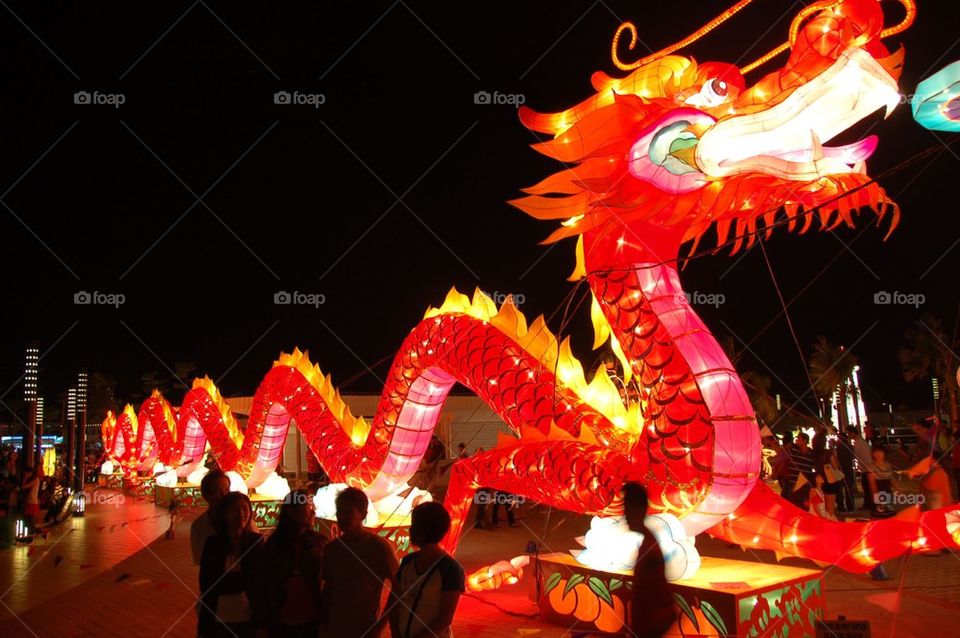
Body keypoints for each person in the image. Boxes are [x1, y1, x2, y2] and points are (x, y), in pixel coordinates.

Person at [320, 487, 399, 637]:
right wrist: (323, 623)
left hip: (365, 629)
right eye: (339, 512)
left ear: (363, 514)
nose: (342, 517)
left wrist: (380, 625)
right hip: (335, 628)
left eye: (348, 512)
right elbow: (329, 589)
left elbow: (399, 588)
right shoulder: (333, 549)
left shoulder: (379, 547)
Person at [256, 490, 327, 637]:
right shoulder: (274, 545)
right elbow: (262, 583)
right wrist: (262, 623)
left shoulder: (320, 542)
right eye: (309, 506)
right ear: (291, 512)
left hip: (313, 620)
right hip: (281, 621)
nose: (314, 511)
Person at [389, 502, 465, 638]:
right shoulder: (408, 562)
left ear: (423, 532)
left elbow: (444, 620)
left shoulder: (451, 569)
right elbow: (394, 604)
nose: (410, 530)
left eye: (414, 525)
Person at [198, 491, 264, 638]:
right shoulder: (213, 543)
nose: (241, 514)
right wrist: (242, 580)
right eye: (234, 510)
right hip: (219, 616)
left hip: (248, 615)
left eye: (245, 509)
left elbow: (258, 581)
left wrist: (226, 581)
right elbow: (207, 583)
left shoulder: (256, 542)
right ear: (225, 514)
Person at [622, 482, 675, 638]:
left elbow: (651, 595)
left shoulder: (650, 549)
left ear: (639, 509)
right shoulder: (648, 543)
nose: (624, 515)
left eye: (627, 508)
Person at [192, 469, 230, 565]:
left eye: (226, 490)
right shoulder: (198, 526)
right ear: (206, 495)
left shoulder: (243, 521)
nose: (224, 495)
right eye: (218, 491)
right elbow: (200, 560)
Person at [786, 433, 815, 509]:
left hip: (804, 484)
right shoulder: (793, 449)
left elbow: (812, 467)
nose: (797, 441)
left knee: (805, 505)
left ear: (804, 441)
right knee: (793, 505)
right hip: (793, 482)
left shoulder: (811, 453)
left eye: (799, 439)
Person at [867, 446, 895, 518]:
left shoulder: (888, 465)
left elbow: (891, 478)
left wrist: (897, 488)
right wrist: (876, 497)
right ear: (872, 454)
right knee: (878, 515)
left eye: (880, 452)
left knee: (889, 514)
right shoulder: (871, 467)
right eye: (875, 452)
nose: (878, 454)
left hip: (887, 492)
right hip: (878, 491)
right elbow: (872, 483)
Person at [21, 466, 42, 532]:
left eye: (26, 473)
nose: (26, 475)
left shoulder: (35, 480)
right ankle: (31, 531)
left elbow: (23, 487)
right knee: (29, 519)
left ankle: (33, 532)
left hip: (32, 501)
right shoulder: (34, 480)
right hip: (30, 501)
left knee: (31, 519)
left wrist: (25, 478)